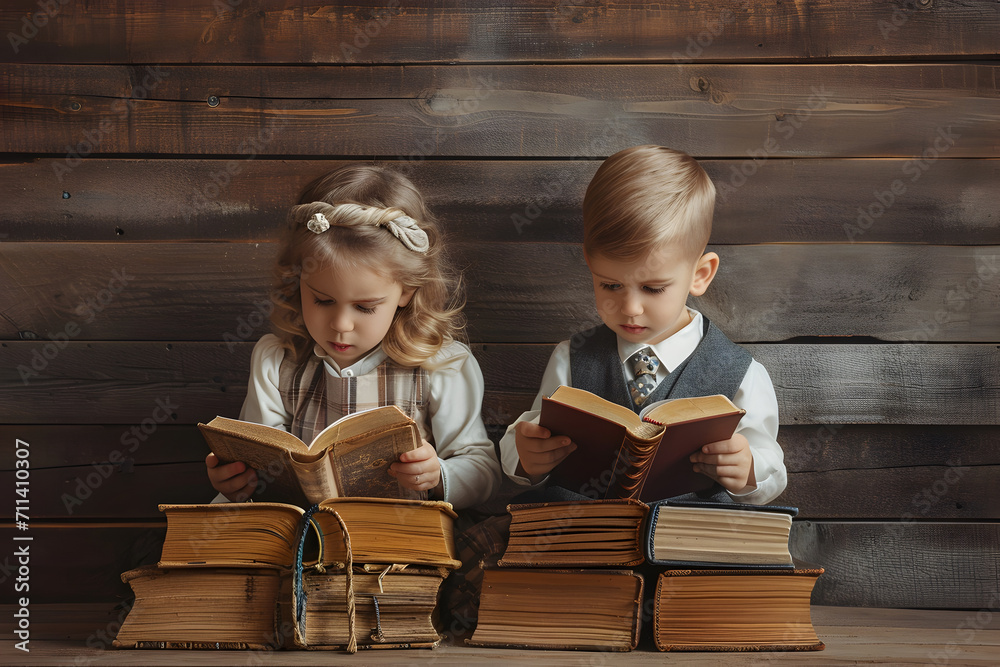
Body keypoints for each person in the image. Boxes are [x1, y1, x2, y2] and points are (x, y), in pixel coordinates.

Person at [500, 145, 786, 504]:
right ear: (590, 263)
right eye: (610, 285)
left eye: (653, 288)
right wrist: (528, 456)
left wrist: (748, 469)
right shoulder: (570, 358)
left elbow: (771, 466)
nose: (630, 308)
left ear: (700, 275)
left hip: (689, 543)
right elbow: (529, 438)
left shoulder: (742, 372)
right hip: (585, 542)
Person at [206, 165, 502, 510]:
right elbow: (260, 458)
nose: (341, 324)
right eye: (323, 300)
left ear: (406, 291)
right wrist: (238, 481)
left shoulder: (443, 365)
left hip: (402, 543)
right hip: (304, 538)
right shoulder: (277, 360)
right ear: (297, 280)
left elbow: (484, 474)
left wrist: (438, 474)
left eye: (365, 307)